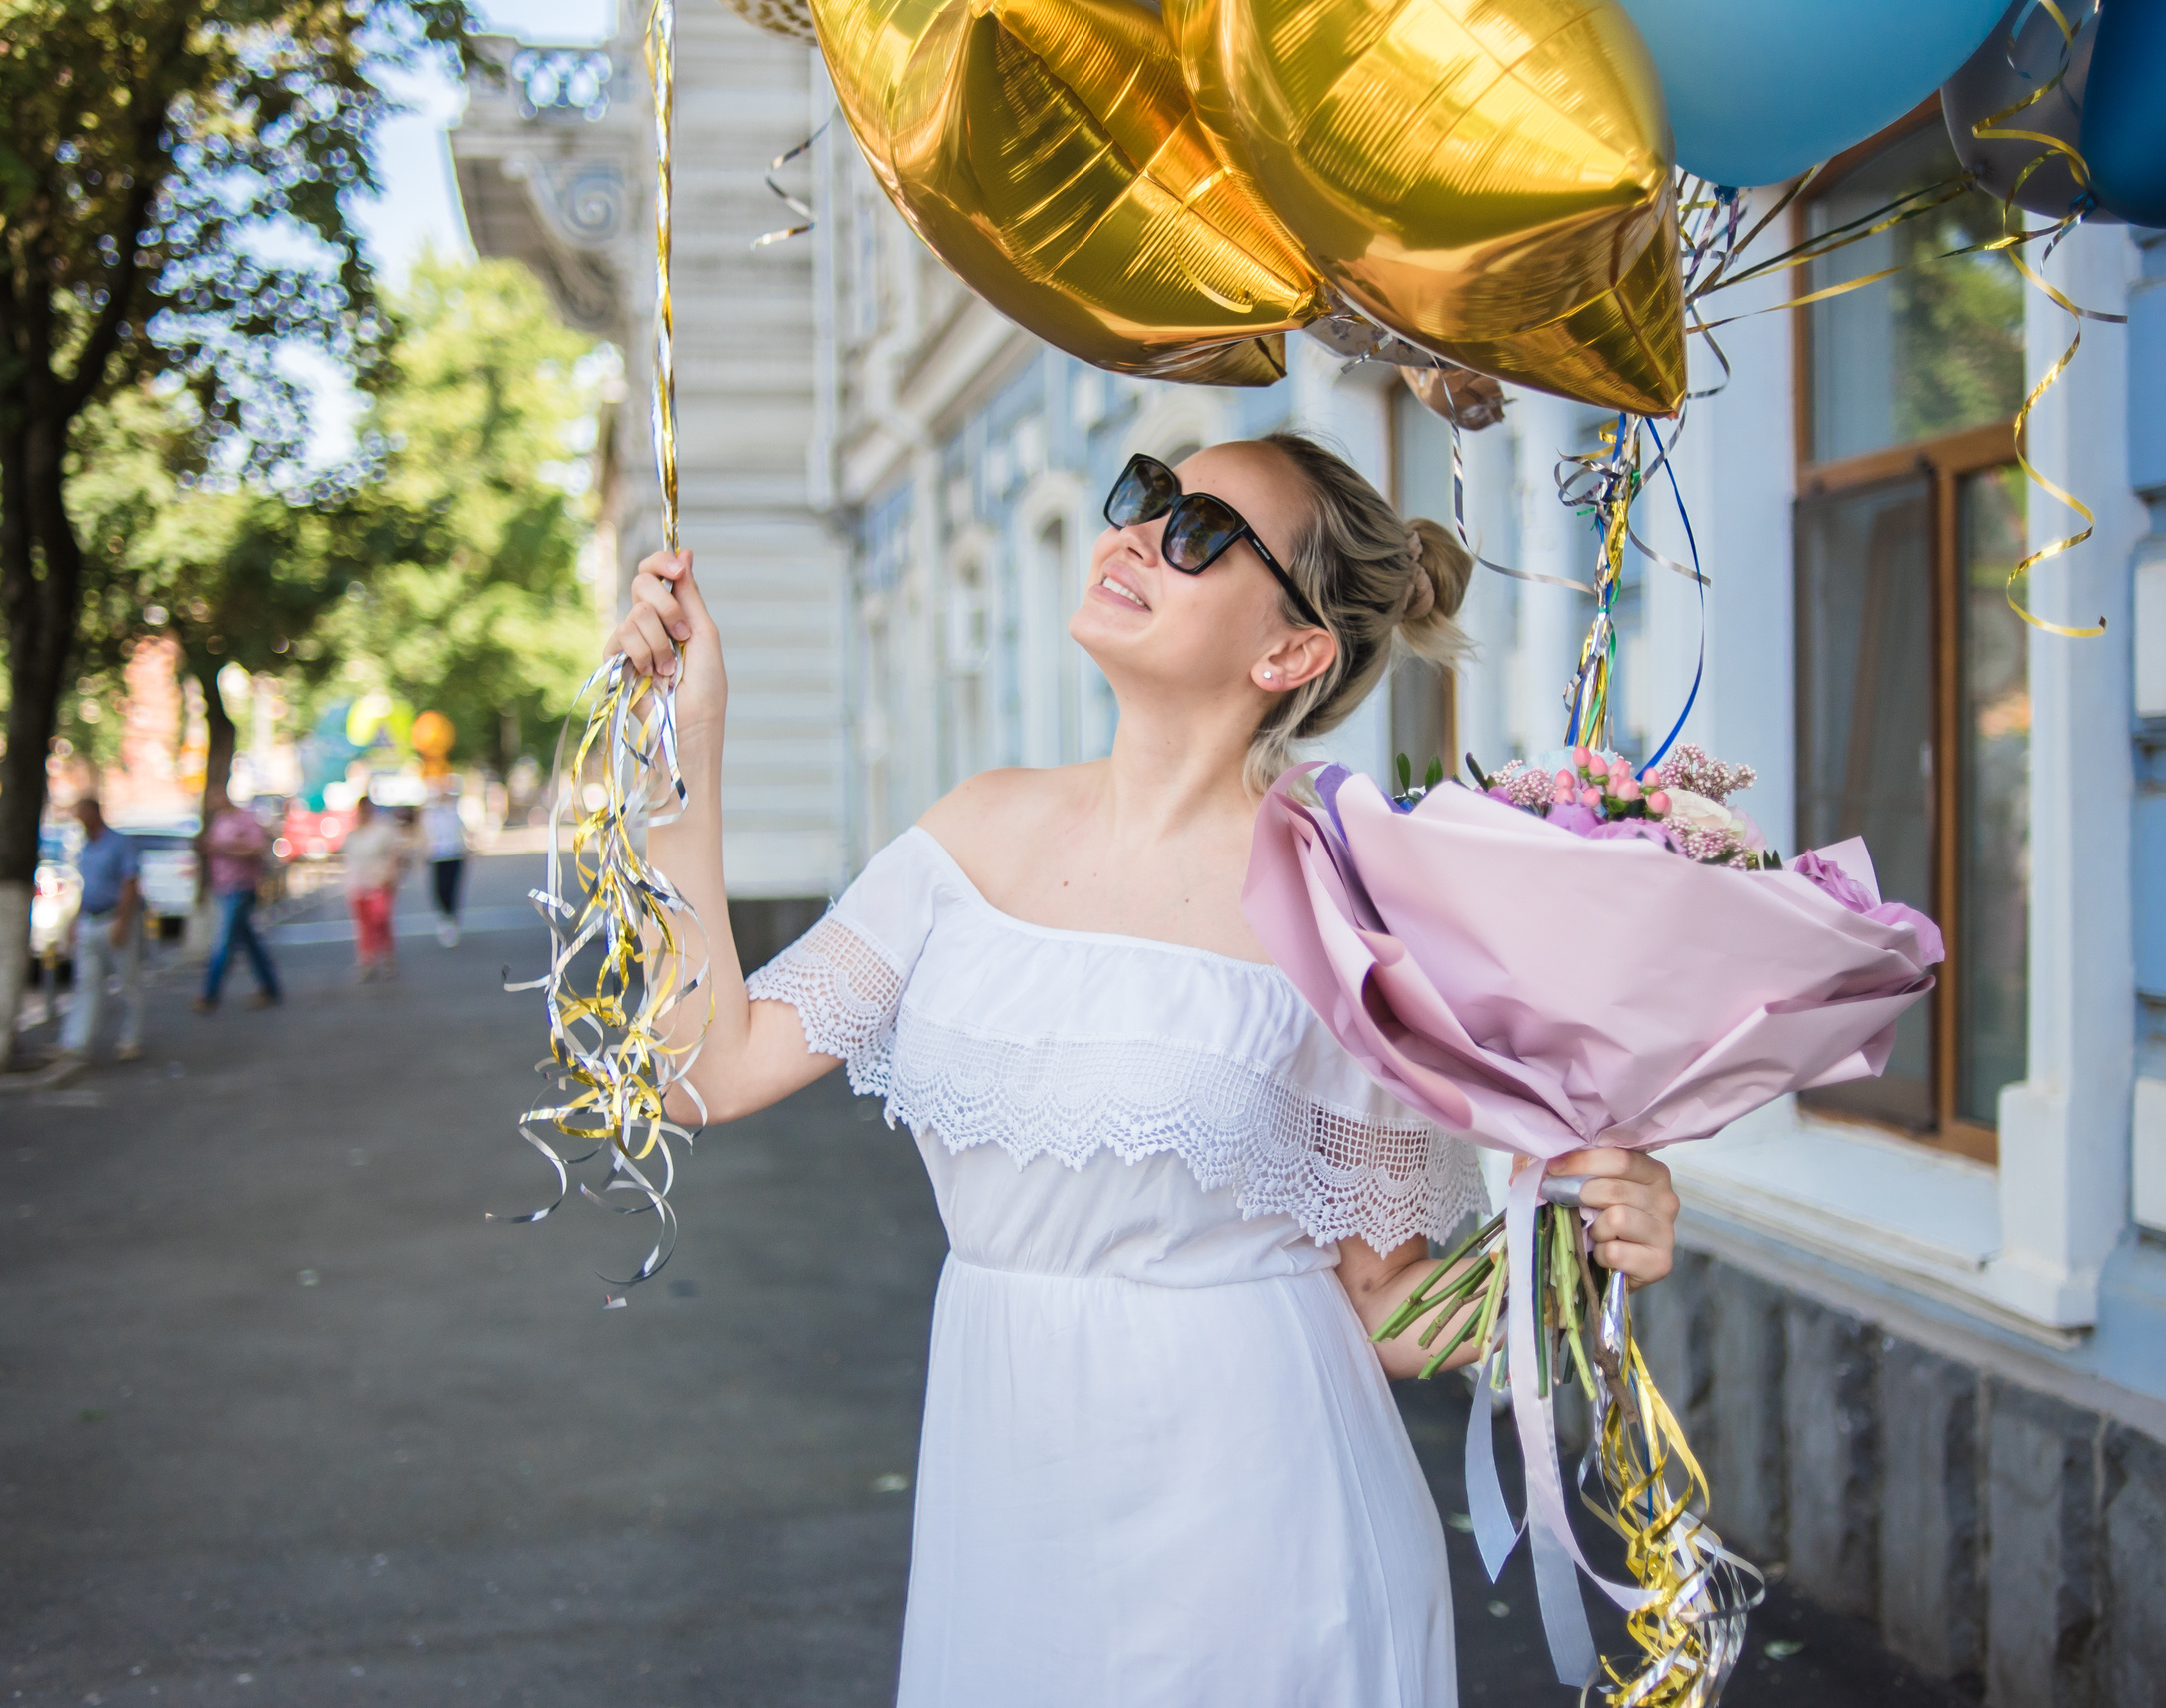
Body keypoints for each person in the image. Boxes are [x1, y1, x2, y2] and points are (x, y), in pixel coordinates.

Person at [608, 434, 1682, 1706]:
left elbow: (1384, 1301)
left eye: (1199, 530)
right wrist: (682, 739)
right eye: (1145, 496)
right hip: (1006, 1493)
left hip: (1261, 1521)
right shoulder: (973, 825)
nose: (1135, 532)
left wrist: (1570, 1236)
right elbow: (705, 1067)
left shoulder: (1344, 894)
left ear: (1287, 653)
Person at [60, 797, 144, 1064]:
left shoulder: (119, 844)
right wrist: (74, 920)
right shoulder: (84, 847)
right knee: (86, 982)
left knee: (127, 981)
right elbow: (84, 886)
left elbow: (130, 883)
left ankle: (130, 1039)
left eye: (83, 814)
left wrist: (123, 921)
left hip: (114, 919)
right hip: (90, 918)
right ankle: (75, 1042)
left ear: (95, 813)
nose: (80, 821)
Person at [193, 784, 282, 1013]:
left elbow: (256, 849)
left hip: (240, 887)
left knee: (223, 943)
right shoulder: (220, 821)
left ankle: (209, 994)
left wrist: (223, 848)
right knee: (249, 943)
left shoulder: (245, 819)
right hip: (223, 887)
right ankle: (270, 986)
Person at [341, 799, 405, 981]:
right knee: (363, 925)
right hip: (358, 883)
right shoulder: (353, 833)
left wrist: (391, 876)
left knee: (379, 919)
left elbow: (394, 854)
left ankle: (386, 955)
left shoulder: (382, 830)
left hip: (379, 881)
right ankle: (367, 960)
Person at [421, 776, 467, 947]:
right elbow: (425, 835)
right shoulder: (431, 815)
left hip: (454, 854)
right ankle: (444, 917)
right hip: (437, 856)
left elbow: (461, 831)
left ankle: (450, 919)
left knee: (451, 888)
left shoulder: (453, 811)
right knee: (439, 889)